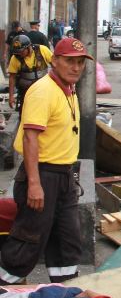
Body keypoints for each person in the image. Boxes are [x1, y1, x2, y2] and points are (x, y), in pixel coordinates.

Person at [0, 37, 93, 285]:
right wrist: (34, 183)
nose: (76, 67)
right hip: (42, 175)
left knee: (67, 241)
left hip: (64, 176)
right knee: (28, 242)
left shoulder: (68, 89)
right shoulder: (43, 91)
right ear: (54, 61)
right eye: (70, 61)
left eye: (80, 62)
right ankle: (4, 287)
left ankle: (64, 291)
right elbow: (30, 138)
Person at [7, 35, 53, 113]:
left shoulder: (42, 50)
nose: (19, 54)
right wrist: (11, 96)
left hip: (43, 89)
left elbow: (55, 65)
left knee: (45, 111)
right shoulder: (15, 58)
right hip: (25, 91)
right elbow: (12, 77)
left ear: (29, 47)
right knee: (25, 112)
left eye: (21, 51)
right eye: (18, 52)